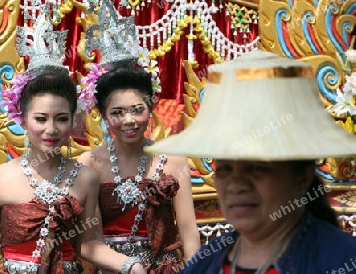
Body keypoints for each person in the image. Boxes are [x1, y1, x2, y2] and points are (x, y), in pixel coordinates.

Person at [145, 50, 356, 274]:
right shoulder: (206, 263)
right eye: (225, 169)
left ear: (302, 176)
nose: (236, 185)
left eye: (256, 168)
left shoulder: (342, 260)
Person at [0, 69, 146, 274]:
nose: (51, 129)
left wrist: (130, 264)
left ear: (72, 121)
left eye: (61, 119)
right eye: (41, 119)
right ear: (23, 120)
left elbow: (88, 244)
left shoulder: (85, 178)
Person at [77, 66, 201, 273]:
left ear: (150, 108)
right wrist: (128, 266)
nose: (129, 120)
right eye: (117, 112)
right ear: (105, 117)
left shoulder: (174, 161)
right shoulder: (90, 163)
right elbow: (88, 242)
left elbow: (188, 232)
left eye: (137, 110)